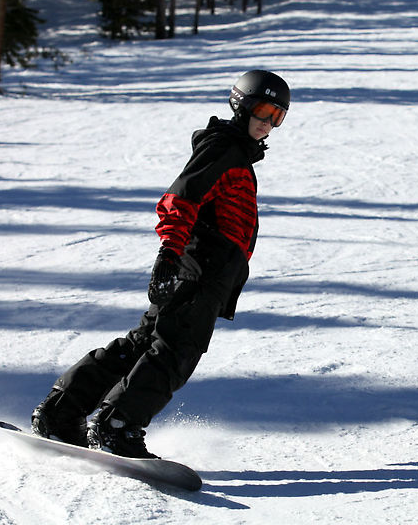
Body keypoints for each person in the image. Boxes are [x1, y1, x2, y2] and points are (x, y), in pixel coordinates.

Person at [30, 70, 290, 459]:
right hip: (200, 269)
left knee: (143, 345)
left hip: (201, 266)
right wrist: (169, 255)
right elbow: (180, 198)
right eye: (265, 110)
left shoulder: (232, 151)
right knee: (176, 351)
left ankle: (63, 412)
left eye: (278, 116)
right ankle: (118, 423)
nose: (268, 123)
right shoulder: (225, 149)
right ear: (243, 104)